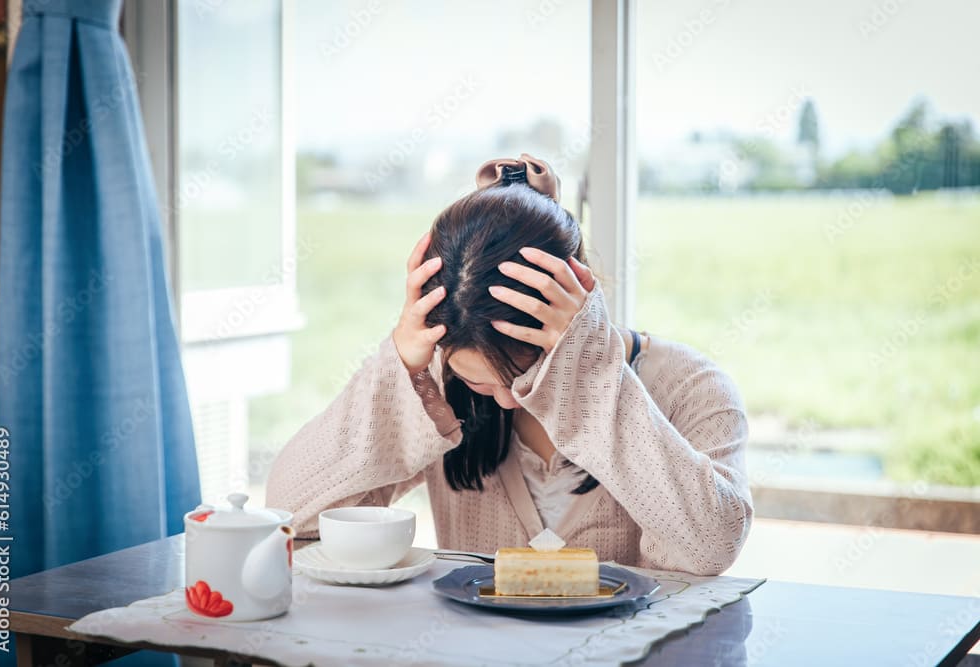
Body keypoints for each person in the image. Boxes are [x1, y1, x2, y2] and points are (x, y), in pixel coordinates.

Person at [266, 153, 753, 575]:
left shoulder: (693, 387)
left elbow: (710, 547)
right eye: (479, 381)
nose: (506, 399)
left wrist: (592, 377)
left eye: (524, 377)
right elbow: (290, 515)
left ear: (576, 303)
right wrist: (399, 364)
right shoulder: (436, 385)